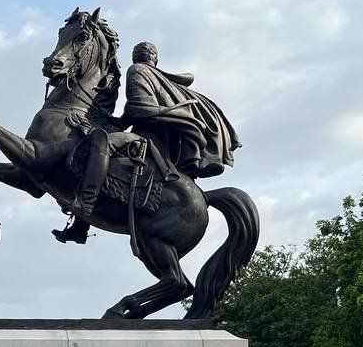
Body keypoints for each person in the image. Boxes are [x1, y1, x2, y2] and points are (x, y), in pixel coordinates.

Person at [57, 40, 240, 243]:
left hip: (145, 140)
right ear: (156, 58)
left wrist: (124, 117)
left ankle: (85, 204)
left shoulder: (137, 70)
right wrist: (118, 120)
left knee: (99, 141)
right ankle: (80, 228)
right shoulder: (164, 79)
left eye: (138, 53)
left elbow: (140, 108)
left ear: (138, 57)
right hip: (161, 146)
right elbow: (140, 109)